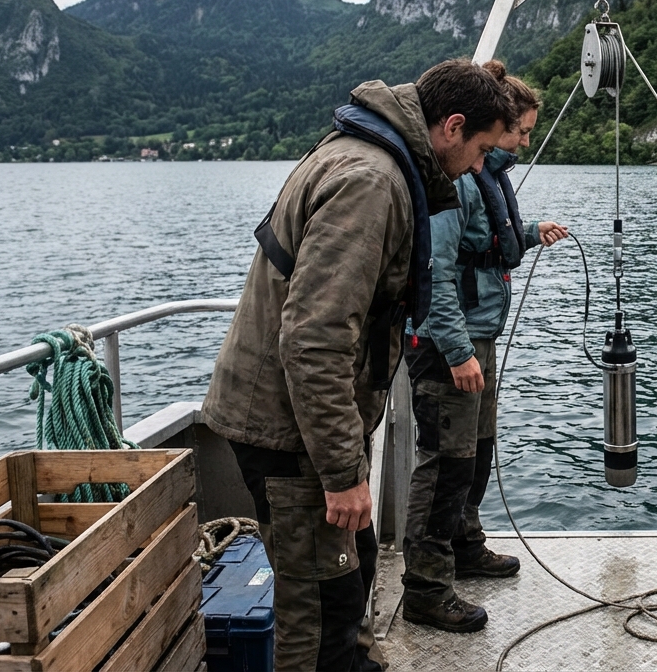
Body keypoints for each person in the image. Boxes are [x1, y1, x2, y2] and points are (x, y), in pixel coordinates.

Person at [202, 60, 512, 671]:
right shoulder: (372, 182)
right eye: (480, 149)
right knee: (320, 613)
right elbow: (314, 337)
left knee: (354, 569)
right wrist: (343, 473)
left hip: (302, 424)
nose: (481, 166)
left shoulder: (371, 156)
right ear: (451, 127)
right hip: (287, 430)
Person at [400, 60, 569, 633]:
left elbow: (484, 243)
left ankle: (466, 546)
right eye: (519, 132)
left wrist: (527, 233)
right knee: (446, 465)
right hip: (451, 341)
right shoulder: (457, 181)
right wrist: (456, 350)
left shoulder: (483, 179)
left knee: (476, 452)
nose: (522, 142)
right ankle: (426, 587)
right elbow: (435, 269)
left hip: (477, 334)